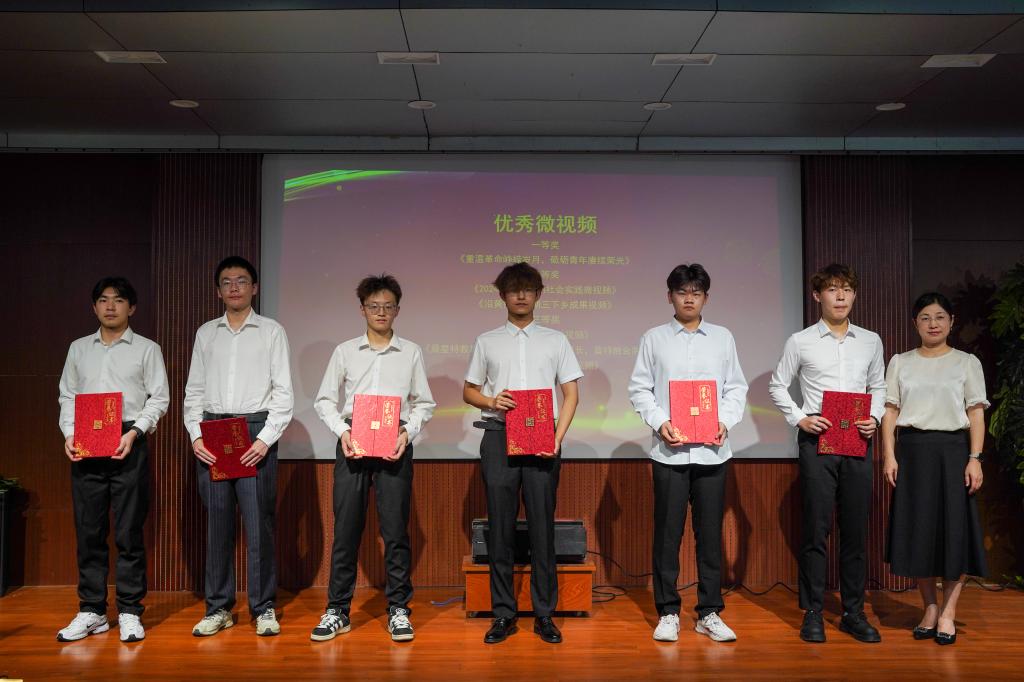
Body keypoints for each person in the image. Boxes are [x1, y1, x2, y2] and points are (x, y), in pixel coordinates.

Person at [310, 274, 436, 643]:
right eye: (373, 306)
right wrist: (343, 431)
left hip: (395, 439)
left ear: (397, 310)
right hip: (354, 441)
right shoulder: (345, 351)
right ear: (362, 309)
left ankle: (398, 609)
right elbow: (324, 400)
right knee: (346, 530)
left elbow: (424, 403)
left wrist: (407, 433)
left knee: (395, 530)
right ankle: (338, 610)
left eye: (387, 306)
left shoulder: (410, 352)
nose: (381, 312)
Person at [463, 262, 582, 644]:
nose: (520, 295)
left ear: (538, 294)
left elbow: (571, 394)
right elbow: (469, 391)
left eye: (527, 289)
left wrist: (557, 437)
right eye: (513, 289)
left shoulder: (556, 340)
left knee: (542, 526)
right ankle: (503, 614)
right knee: (500, 527)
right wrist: (491, 400)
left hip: (543, 437)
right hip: (500, 436)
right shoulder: (487, 340)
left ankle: (545, 614)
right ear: (502, 295)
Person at [628, 263, 748, 643]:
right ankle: (668, 612)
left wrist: (724, 421)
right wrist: (660, 422)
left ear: (706, 298)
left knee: (709, 535)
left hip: (713, 452)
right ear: (670, 297)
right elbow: (639, 389)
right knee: (667, 535)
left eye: (696, 292)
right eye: (682, 292)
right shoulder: (654, 338)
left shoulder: (723, 338)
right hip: (670, 453)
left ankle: (708, 612)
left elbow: (736, 388)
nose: (689, 299)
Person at [768, 263, 885, 643]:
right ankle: (813, 612)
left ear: (854, 295)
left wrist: (874, 417)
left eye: (847, 289)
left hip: (857, 440)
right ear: (818, 295)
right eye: (833, 289)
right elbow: (777, 385)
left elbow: (879, 386)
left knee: (855, 530)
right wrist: (800, 418)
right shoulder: (800, 341)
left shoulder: (870, 340)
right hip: (817, 441)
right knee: (816, 529)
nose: (841, 296)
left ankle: (854, 612)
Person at [184, 256, 293, 637]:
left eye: (242, 281)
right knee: (218, 525)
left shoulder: (271, 332)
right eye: (227, 282)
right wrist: (196, 436)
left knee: (259, 525)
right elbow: (194, 390)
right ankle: (218, 608)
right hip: (214, 432)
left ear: (254, 288)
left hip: (254, 432)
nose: (234, 287)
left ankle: (263, 608)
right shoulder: (206, 333)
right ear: (218, 291)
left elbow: (283, 393)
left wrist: (264, 439)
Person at [56, 277, 169, 643]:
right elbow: (68, 395)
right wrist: (69, 434)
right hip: (86, 440)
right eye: (103, 300)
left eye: (118, 300)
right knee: (89, 531)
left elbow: (159, 398)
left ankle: (130, 611)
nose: (110, 306)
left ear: (131, 308)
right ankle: (92, 610)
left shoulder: (147, 349)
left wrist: (134, 432)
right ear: (94, 307)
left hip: (127, 439)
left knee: (128, 533)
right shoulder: (78, 349)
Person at [882, 292, 988, 646]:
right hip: (912, 452)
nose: (933, 324)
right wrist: (889, 455)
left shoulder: (966, 363)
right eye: (925, 317)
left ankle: (948, 612)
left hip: (954, 452)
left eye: (940, 317)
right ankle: (929, 608)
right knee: (920, 532)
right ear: (915, 323)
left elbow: (976, 413)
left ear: (951, 322)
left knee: (954, 531)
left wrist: (975, 457)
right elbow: (890, 412)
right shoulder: (900, 362)